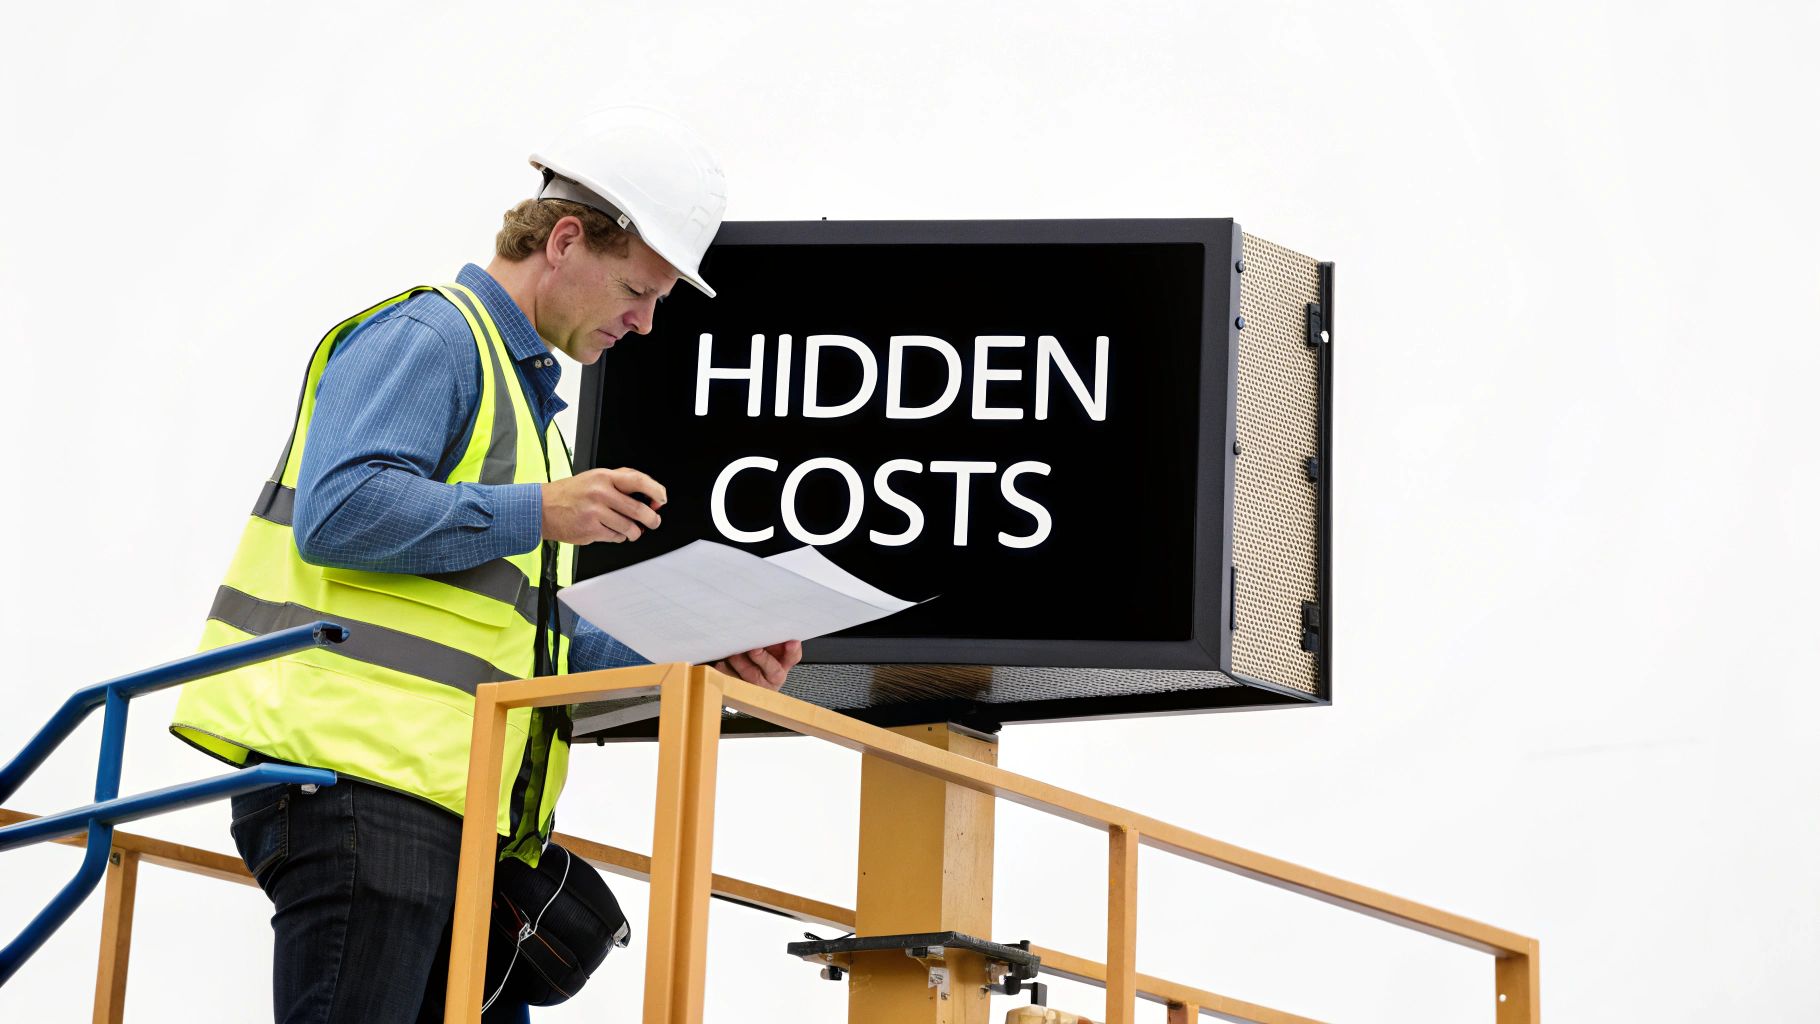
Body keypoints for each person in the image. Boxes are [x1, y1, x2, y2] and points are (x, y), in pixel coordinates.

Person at [169, 106, 802, 1023]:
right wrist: (540, 511)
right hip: (361, 787)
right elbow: (339, 513)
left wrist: (701, 656)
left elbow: (537, 644)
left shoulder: (532, 418)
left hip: (455, 818)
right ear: (568, 240)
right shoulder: (432, 339)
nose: (647, 321)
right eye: (638, 289)